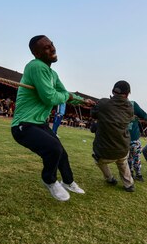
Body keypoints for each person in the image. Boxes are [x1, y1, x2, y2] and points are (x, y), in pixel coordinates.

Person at [11, 35, 94, 201]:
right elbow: (49, 97)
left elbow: (64, 93)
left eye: (52, 44)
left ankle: (68, 182)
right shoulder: (36, 66)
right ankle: (49, 179)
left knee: (62, 153)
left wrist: (83, 101)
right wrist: (66, 96)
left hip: (40, 123)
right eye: (46, 48)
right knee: (54, 148)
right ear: (36, 53)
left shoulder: (52, 74)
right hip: (24, 125)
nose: (52, 48)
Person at [91, 81, 135, 192]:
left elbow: (93, 114)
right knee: (123, 161)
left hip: (104, 151)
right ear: (127, 94)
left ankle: (110, 178)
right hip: (122, 149)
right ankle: (129, 184)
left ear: (113, 90)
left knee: (99, 161)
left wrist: (96, 105)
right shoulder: (130, 108)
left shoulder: (103, 103)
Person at [127, 99, 147, 181]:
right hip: (134, 139)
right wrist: (136, 119)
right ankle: (138, 174)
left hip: (123, 139)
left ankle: (130, 173)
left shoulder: (114, 104)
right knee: (136, 157)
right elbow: (146, 117)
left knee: (128, 158)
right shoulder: (132, 104)